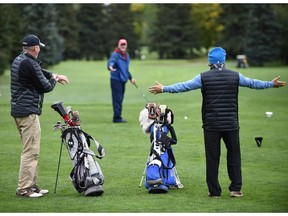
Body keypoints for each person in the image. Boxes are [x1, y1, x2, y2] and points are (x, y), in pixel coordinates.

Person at [148, 47, 286, 198]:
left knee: (212, 158)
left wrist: (164, 88)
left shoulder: (203, 77)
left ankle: (214, 192)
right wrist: (271, 84)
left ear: (210, 61)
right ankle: (235, 189)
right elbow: (253, 83)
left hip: (211, 125)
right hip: (231, 124)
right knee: (234, 157)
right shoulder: (235, 76)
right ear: (225, 60)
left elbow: (184, 86)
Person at [11, 35, 69, 198]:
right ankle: (24, 189)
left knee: (31, 150)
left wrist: (53, 74)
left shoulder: (21, 59)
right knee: (31, 151)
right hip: (28, 112)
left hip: (19, 110)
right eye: (39, 47)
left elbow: (39, 71)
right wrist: (55, 79)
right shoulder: (29, 62)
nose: (40, 49)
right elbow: (45, 87)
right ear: (35, 48)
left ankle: (32, 185)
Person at [107, 39, 136, 123]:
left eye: (124, 45)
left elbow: (125, 69)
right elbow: (111, 62)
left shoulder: (126, 55)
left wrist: (131, 78)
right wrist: (110, 67)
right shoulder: (115, 54)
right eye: (121, 45)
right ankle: (117, 118)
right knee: (117, 99)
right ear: (118, 45)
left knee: (120, 99)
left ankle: (118, 116)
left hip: (123, 80)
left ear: (126, 45)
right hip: (116, 80)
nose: (123, 46)